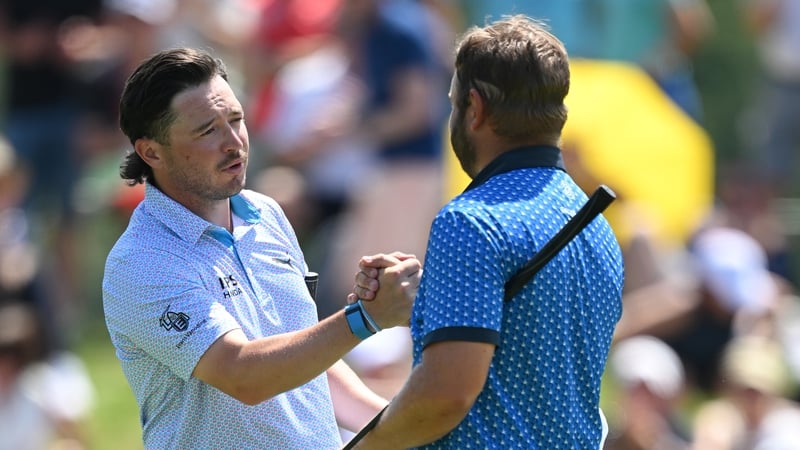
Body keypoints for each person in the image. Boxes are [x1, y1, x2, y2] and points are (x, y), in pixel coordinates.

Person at [101, 47, 421, 449]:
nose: (233, 142)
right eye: (207, 130)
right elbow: (244, 375)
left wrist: (407, 431)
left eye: (236, 120)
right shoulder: (143, 262)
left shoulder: (265, 213)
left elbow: (304, 356)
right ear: (150, 151)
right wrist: (364, 319)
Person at [349, 15, 625, 449]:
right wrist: (427, 308)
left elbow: (446, 395)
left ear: (475, 109)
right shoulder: (598, 227)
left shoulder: (471, 221)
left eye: (453, 102)